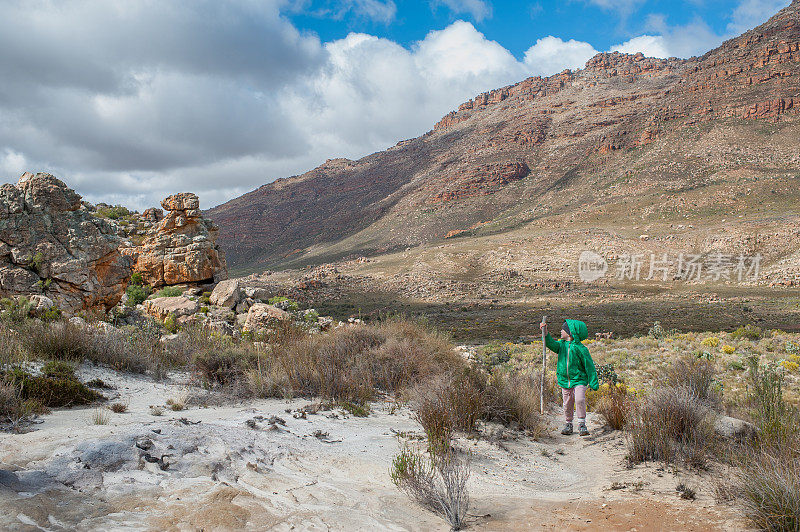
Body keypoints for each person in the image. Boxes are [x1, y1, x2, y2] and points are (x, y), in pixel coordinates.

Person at [540, 319, 599, 436]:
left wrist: (593, 382)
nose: (561, 331)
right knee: (567, 403)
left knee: (579, 399)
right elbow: (550, 343)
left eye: (563, 329)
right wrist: (545, 332)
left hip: (579, 379)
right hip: (564, 380)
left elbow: (589, 366)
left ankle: (582, 423)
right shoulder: (561, 345)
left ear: (571, 332)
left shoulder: (581, 348)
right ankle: (568, 424)